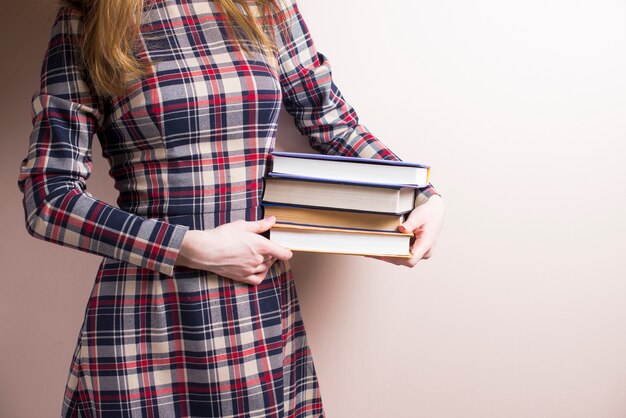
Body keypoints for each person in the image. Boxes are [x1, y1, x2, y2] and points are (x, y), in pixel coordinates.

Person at [17, 0, 445, 416]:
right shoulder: (85, 19)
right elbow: (49, 197)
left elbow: (329, 119)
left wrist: (421, 194)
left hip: (256, 306)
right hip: (149, 317)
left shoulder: (264, 7)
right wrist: (188, 246)